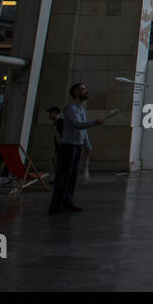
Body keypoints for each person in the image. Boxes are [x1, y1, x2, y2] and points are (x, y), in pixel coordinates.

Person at [49, 83, 103, 214]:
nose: (86, 91)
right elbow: (78, 125)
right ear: (76, 93)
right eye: (83, 89)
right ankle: (56, 206)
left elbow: (82, 132)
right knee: (63, 177)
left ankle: (67, 202)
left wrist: (87, 145)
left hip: (76, 147)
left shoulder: (81, 109)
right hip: (68, 147)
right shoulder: (71, 109)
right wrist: (95, 122)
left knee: (72, 177)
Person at [46, 106, 65, 185]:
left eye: (51, 113)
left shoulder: (61, 122)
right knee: (56, 162)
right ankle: (58, 179)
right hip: (59, 147)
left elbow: (63, 136)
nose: (49, 115)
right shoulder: (56, 123)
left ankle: (60, 180)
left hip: (62, 147)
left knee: (59, 163)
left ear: (56, 113)